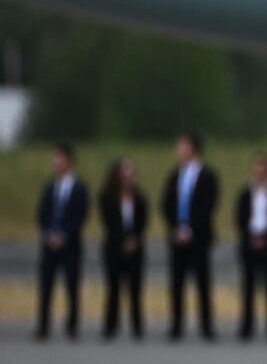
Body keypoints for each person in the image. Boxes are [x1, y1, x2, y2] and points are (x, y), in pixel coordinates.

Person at [161, 132, 220, 341]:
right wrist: (176, 228)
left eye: (182, 145)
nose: (178, 149)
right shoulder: (174, 176)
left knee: (202, 282)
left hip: (199, 237)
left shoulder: (207, 175)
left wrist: (191, 228)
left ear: (193, 148)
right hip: (177, 237)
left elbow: (208, 206)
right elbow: (166, 205)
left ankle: (206, 325)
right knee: (176, 282)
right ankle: (176, 325)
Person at [35, 142, 89, 340]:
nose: (55, 162)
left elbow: (80, 215)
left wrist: (64, 235)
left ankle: (72, 325)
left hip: (70, 245)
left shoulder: (79, 188)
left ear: (68, 160)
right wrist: (49, 234)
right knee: (46, 286)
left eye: (58, 158)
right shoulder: (50, 187)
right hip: (49, 245)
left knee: (72, 286)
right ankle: (43, 325)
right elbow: (41, 214)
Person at [235, 152, 267, 341]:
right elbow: (240, 218)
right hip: (250, 242)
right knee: (248, 287)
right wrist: (251, 238)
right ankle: (246, 327)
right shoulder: (246, 193)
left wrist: (266, 238)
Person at [99, 158, 149, 340]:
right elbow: (109, 223)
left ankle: (137, 326)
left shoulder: (139, 197)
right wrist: (122, 241)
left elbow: (143, 221)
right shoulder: (107, 197)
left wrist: (135, 240)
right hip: (114, 248)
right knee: (113, 288)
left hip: (135, 249)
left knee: (135, 289)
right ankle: (110, 325)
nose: (128, 178)